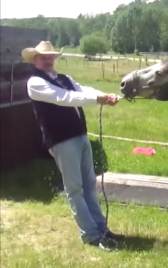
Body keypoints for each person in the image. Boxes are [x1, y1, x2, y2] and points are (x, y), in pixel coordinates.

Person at [22, 41, 124, 251]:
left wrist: (103, 95)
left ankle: (101, 229)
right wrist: (99, 99)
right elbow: (65, 98)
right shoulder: (34, 83)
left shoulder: (63, 78)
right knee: (75, 189)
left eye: (50, 56)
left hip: (79, 136)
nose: (48, 59)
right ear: (35, 60)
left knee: (89, 185)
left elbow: (80, 89)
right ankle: (91, 235)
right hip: (62, 140)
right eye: (43, 57)